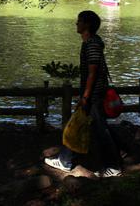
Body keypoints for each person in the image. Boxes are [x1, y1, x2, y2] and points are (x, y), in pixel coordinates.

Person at [44, 10, 123, 178]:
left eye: (79, 21)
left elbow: (92, 73)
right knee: (84, 125)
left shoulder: (92, 44)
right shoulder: (90, 42)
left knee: (95, 129)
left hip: (94, 95)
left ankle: (113, 166)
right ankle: (65, 160)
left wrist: (86, 96)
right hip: (93, 94)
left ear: (87, 24)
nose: (76, 23)